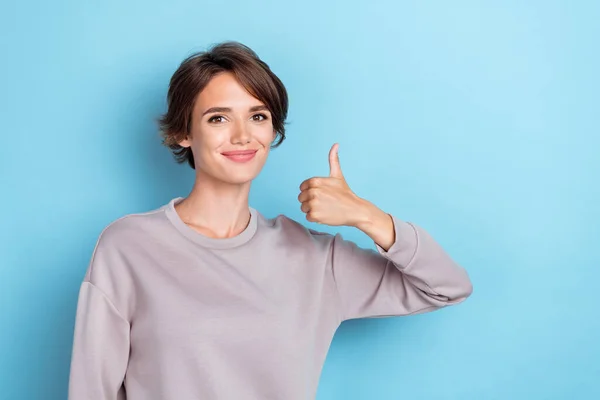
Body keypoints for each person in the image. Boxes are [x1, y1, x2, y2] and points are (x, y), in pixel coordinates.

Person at [68, 41, 473, 400]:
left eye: (258, 116)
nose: (243, 136)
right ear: (183, 133)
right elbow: (92, 389)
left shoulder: (315, 259)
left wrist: (365, 215)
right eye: (218, 118)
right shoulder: (129, 246)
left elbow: (447, 287)